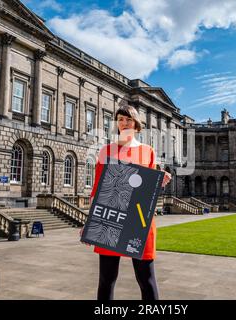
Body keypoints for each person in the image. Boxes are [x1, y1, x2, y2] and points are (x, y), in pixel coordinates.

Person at [80, 102, 171, 300]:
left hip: (138, 219)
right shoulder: (106, 151)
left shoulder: (148, 151)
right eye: (120, 119)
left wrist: (160, 181)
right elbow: (97, 189)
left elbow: (148, 189)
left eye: (128, 119)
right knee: (107, 278)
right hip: (111, 216)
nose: (124, 123)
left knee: (146, 278)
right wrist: (90, 222)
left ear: (136, 123)